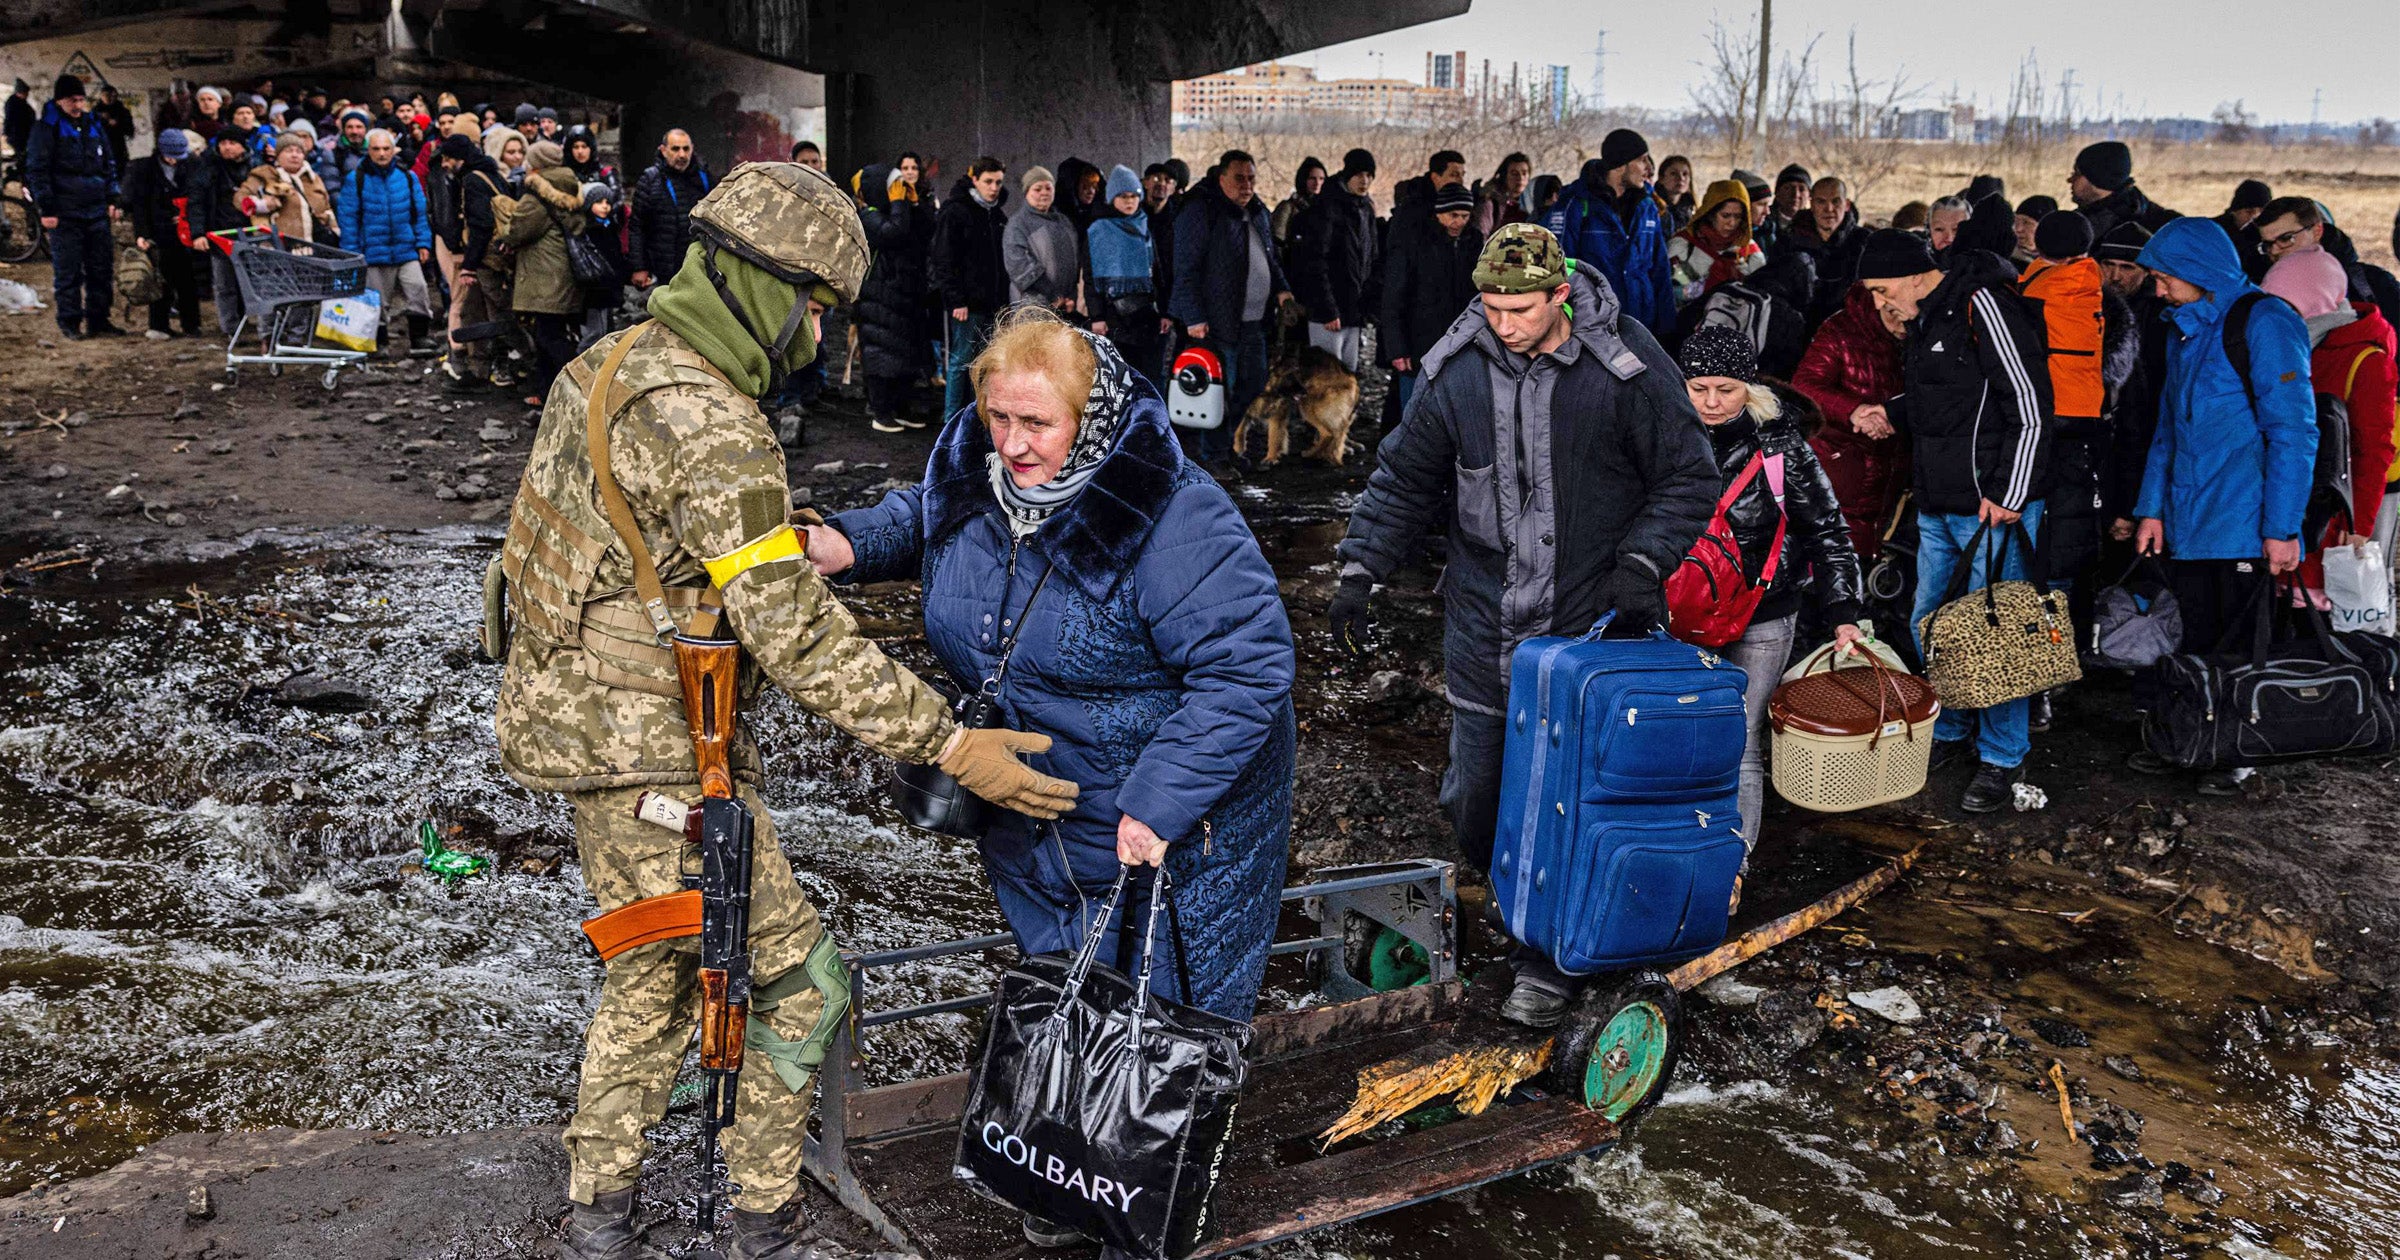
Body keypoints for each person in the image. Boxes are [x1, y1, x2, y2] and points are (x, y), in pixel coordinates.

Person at [494, 162, 1073, 1260]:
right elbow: (794, 634)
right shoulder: (713, 423)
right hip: (657, 755)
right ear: (762, 286)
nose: (816, 331)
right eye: (811, 304)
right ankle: (764, 1226)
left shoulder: (610, 362)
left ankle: (598, 1220)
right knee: (805, 987)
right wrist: (950, 744)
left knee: (655, 973)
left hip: (579, 728)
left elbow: (607, 552)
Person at [810, 305, 1293, 1026]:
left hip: (1166, 825)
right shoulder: (975, 473)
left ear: (1090, 418)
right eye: (998, 417)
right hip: (1033, 810)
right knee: (1064, 1011)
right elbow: (928, 516)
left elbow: (1247, 670)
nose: (1013, 444)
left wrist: (1159, 804)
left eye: (1038, 424)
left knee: (1155, 1040)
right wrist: (846, 544)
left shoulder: (1172, 513)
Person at [1328, 224, 1718, 1026]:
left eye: (1521, 309)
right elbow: (1402, 478)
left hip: (1589, 629)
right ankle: (1507, 902)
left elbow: (1688, 475)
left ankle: (1549, 957)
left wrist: (1644, 564)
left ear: (1560, 295)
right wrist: (1359, 571)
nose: (1505, 323)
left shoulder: (1627, 367)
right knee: (1477, 791)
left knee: (1572, 796)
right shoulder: (1458, 370)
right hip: (1483, 624)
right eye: (1493, 307)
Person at [1854, 229, 2055, 814]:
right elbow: (1945, 397)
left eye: (1881, 288)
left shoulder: (1982, 304)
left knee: (1994, 633)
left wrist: (2010, 492)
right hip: (1939, 503)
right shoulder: (1927, 317)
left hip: (1992, 507)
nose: (1879, 302)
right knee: (1933, 623)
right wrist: (1888, 412)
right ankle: (1949, 731)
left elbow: (2029, 404)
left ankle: (2002, 755)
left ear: (1916, 275)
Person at [2123, 219, 2317, 791]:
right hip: (2188, 518)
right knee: (2194, 637)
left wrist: (2282, 528)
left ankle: (2235, 752)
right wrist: (2151, 509)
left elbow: (2294, 432)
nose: (2157, 291)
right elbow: (2168, 428)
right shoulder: (2185, 326)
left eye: (2163, 279)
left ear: (2198, 272)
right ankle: (2193, 738)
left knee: (2237, 642)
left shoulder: (2266, 321)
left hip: (2243, 522)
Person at [1676, 326, 1866, 846]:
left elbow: (1827, 529)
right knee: (1675, 732)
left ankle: (1730, 867)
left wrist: (1844, 611)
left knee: (1740, 741)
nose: (1712, 403)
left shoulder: (1783, 448)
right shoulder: (1660, 434)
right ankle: (1677, 853)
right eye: (1699, 389)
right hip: (1679, 612)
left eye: (1726, 389)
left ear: (1750, 389)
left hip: (1763, 613)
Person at [2259, 247, 2395, 596]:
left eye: (2285, 304)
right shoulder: (2288, 345)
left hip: (2331, 520)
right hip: (2283, 510)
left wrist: (2360, 524)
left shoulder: (2364, 359)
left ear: (2311, 302)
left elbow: (2374, 448)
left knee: (2318, 617)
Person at [1170, 149, 1291, 468]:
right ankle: (1216, 456)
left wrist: (1282, 291)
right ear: (1221, 178)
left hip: (1253, 322)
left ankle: (1225, 445)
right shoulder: (1201, 210)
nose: (1246, 185)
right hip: (1217, 321)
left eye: (1251, 179)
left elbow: (1269, 259)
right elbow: (1185, 267)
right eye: (1239, 178)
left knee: (1252, 383)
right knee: (1219, 392)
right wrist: (1193, 316)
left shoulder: (1258, 212)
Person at [1792, 277, 1909, 563]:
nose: (1901, 327)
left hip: (1894, 472)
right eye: (1893, 317)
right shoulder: (1841, 331)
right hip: (1840, 463)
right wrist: (1853, 410)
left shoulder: (1924, 330)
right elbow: (1803, 385)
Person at [1543, 129, 1672, 335]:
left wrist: (1667, 330)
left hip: (1642, 325)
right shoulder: (1577, 204)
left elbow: (1661, 271)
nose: (1648, 168)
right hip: (1594, 327)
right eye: (1642, 160)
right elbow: (1557, 269)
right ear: (1621, 165)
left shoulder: (1647, 207)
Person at [25, 74, 124, 341]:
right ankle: (69, 322)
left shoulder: (93, 125)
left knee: (101, 269)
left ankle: (99, 319)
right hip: (65, 212)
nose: (78, 105)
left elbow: (109, 164)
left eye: (81, 99)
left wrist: (113, 198)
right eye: (72, 100)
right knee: (68, 272)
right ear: (59, 100)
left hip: (95, 211)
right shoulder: (46, 128)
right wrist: (47, 209)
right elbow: (37, 171)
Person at [1377, 181, 1482, 416]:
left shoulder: (1474, 243)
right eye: (1453, 215)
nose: (1459, 222)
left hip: (1460, 344)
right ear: (1439, 213)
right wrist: (1397, 348)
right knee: (1416, 414)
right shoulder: (1413, 242)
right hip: (1418, 345)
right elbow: (1394, 298)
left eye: (1465, 215)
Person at [501, 139, 587, 403]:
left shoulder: (536, 194)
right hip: (564, 273)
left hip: (543, 277)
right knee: (554, 333)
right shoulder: (573, 185)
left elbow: (518, 231)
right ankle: (548, 391)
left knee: (548, 337)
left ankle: (578, 387)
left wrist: (503, 228)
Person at [338, 127, 436, 359]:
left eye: (386, 148)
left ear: (393, 150)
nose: (382, 154)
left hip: (406, 247)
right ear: (368, 151)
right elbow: (349, 219)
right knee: (376, 301)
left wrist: (423, 243)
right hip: (372, 250)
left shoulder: (407, 177)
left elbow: (419, 213)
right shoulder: (356, 179)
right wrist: (352, 253)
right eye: (376, 149)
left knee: (418, 290)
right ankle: (378, 343)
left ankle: (419, 338)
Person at [929, 155, 1010, 420]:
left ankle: (977, 417)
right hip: (968, 303)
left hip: (992, 302)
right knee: (960, 361)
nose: (994, 187)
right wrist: (955, 300)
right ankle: (951, 419)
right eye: (988, 181)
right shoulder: (956, 211)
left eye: (998, 181)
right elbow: (943, 258)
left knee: (984, 362)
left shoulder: (996, 213)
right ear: (974, 179)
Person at [1288, 147, 1375, 374]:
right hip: (1328, 312)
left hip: (1353, 310)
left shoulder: (1365, 209)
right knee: (1325, 379)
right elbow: (1315, 261)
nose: (1364, 181)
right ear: (1347, 176)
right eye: (1359, 175)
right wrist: (1326, 308)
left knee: (1347, 376)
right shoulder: (1327, 207)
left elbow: (1369, 258)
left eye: (1369, 175)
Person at [1086, 163, 1169, 395]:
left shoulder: (1144, 224)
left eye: (1134, 195)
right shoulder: (1099, 229)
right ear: (1112, 198)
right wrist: (1097, 316)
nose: (1129, 201)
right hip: (1116, 318)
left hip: (1147, 315)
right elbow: (1091, 276)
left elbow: (1156, 270)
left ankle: (1152, 425)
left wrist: (1164, 311)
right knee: (1120, 381)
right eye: (1123, 196)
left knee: (1151, 379)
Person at [124, 127, 203, 339]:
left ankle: (192, 325)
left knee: (188, 279)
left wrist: (186, 216)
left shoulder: (192, 164)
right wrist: (141, 233)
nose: (174, 161)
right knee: (160, 279)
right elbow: (140, 204)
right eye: (170, 157)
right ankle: (159, 325)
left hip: (185, 229)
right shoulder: (145, 169)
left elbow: (196, 193)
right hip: (159, 231)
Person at [186, 127, 255, 335]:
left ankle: (249, 321)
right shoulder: (207, 168)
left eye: (232, 143)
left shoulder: (255, 167)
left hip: (251, 232)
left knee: (249, 281)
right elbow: (196, 202)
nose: (227, 147)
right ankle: (230, 327)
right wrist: (197, 233)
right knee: (224, 284)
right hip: (219, 233)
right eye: (223, 143)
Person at [628, 128, 713, 290]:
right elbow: (637, 227)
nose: (682, 155)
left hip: (697, 268)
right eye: (675, 149)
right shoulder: (650, 179)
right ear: (663, 150)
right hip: (662, 270)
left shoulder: (704, 177)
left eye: (686, 149)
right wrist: (639, 267)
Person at [1667, 178, 1762, 309]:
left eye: (1738, 216)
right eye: (1726, 215)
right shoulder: (1683, 244)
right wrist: (1703, 287)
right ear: (1710, 213)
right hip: (1690, 322)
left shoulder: (1748, 250)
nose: (1732, 223)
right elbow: (1669, 290)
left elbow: (1762, 294)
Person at [1001, 165, 1079, 315]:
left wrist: (1070, 296)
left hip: (1063, 307)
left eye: (1048, 188)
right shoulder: (1017, 224)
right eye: (1037, 189)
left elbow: (1075, 263)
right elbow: (1019, 267)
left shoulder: (1064, 222)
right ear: (1027, 192)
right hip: (1031, 308)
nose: (1044, 193)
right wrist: (1052, 295)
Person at [2069, 141, 2178, 241]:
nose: (2069, 180)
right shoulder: (2079, 220)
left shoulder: (2164, 227)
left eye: (2077, 173)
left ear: (2098, 178)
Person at [239, 131, 335, 241]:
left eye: (299, 151)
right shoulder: (265, 174)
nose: (294, 155)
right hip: (280, 249)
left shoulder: (314, 179)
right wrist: (260, 205)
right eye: (288, 151)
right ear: (278, 155)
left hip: (316, 248)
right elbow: (240, 199)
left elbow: (327, 207)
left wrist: (332, 228)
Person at [579, 182, 631, 346]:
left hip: (606, 288)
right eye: (599, 202)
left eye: (607, 202)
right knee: (596, 333)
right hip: (595, 290)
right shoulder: (590, 230)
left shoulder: (609, 227)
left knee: (606, 330)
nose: (605, 206)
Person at [1757, 163, 1812, 256]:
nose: (1795, 194)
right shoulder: (1762, 221)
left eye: (1802, 189)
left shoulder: (1816, 223)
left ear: (1809, 196)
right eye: (1788, 188)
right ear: (1777, 193)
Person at [1270, 155, 1323, 250]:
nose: (1317, 183)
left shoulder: (1326, 208)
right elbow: (1277, 241)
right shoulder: (1287, 208)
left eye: (1321, 179)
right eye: (1312, 178)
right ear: (1303, 179)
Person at [1654, 154, 1696, 234]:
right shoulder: (1653, 207)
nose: (1681, 178)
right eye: (1673, 173)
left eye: (1685, 174)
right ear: (1661, 178)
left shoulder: (1691, 211)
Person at [2012, 195, 2057, 267]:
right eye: (2016, 222)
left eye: (2026, 223)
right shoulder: (2007, 257)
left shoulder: (2058, 263)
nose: (2018, 229)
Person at [3, 79, 34, 156]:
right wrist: (6, 132)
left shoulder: (20, 102)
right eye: (25, 93)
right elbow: (9, 119)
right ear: (20, 93)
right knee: (20, 153)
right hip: (17, 135)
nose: (27, 95)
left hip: (21, 134)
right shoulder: (13, 104)